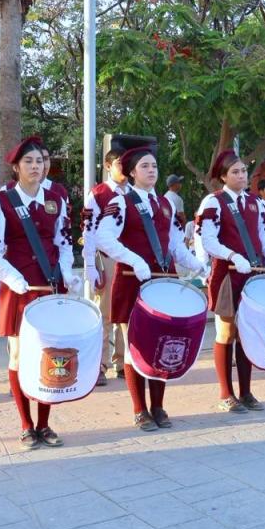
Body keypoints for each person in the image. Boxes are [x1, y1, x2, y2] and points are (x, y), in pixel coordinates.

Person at [93, 145, 203, 430]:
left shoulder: (165, 204)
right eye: (144, 166)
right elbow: (103, 237)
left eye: (154, 165)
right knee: (134, 348)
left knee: (162, 344)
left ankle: (158, 406)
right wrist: (133, 260)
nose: (151, 170)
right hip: (133, 281)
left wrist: (196, 263)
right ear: (131, 172)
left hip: (163, 281)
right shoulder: (121, 202)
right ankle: (139, 409)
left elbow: (175, 243)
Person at [0, 138, 80, 449]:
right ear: (16, 167)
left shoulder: (56, 200)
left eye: (39, 161)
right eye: (28, 162)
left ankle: (44, 424)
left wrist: (68, 273)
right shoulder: (1, 202)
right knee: (20, 355)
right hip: (20, 289)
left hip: (50, 287)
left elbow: (64, 243)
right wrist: (13, 278)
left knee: (50, 354)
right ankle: (26, 425)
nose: (36, 166)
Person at [196, 152, 265, 412]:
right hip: (227, 274)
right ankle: (226, 393)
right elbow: (208, 240)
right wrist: (232, 256)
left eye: (243, 171)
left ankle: (246, 391)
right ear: (223, 177)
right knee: (226, 332)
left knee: (246, 333)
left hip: (252, 276)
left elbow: (264, 239)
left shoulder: (254, 203)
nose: (241, 176)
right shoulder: (214, 202)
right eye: (235, 172)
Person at [80, 145, 132, 385]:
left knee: (128, 313)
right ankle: (100, 365)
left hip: (131, 259)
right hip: (108, 260)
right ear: (108, 166)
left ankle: (124, 362)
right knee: (105, 314)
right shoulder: (98, 194)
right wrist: (90, 265)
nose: (126, 167)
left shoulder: (135, 192)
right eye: (121, 163)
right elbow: (88, 231)